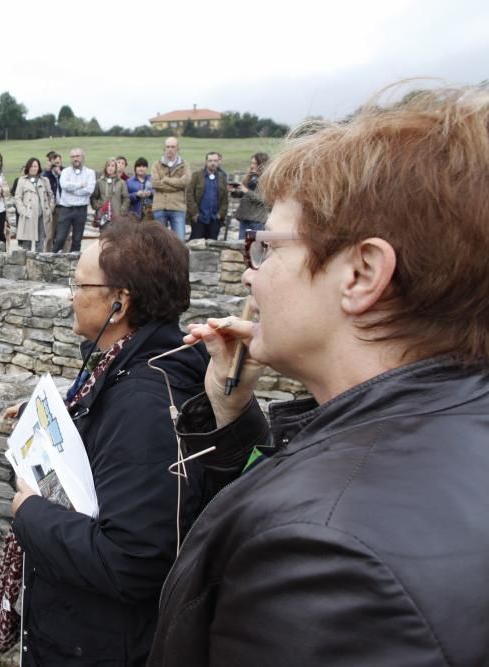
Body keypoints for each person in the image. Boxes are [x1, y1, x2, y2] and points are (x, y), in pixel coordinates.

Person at [147, 85, 489, 667]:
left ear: (360, 273)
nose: (252, 278)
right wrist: (231, 420)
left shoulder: (323, 561)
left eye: (269, 248)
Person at [8, 220, 210, 665]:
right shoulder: (123, 367)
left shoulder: (145, 405)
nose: (70, 296)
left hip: (100, 645)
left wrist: (30, 515)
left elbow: (131, 562)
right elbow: (106, 454)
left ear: (119, 304)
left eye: (79, 285)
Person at [53, 148, 96, 252]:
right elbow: (64, 185)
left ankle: (74, 264)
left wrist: (72, 190)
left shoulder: (90, 173)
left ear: (83, 157)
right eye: (73, 157)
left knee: (77, 240)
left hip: (81, 209)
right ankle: (52, 260)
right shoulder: (65, 172)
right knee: (60, 238)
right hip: (66, 209)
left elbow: (89, 190)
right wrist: (80, 185)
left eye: (78, 156)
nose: (75, 159)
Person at [152, 138, 190, 240]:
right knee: (159, 243)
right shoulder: (156, 164)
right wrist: (176, 184)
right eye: (168, 147)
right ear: (164, 148)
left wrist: (165, 179)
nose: (170, 149)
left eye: (173, 147)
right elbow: (155, 183)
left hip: (177, 207)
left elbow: (185, 182)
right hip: (160, 207)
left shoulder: (184, 165)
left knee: (180, 241)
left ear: (178, 148)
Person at [13, 157, 55, 252]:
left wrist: (49, 209)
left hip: (42, 216)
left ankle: (38, 264)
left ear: (38, 167)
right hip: (28, 216)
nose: (33, 168)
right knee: (26, 246)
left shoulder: (45, 180)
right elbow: (17, 197)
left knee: (40, 244)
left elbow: (51, 196)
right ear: (28, 167)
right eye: (31, 166)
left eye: (35, 166)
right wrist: (23, 211)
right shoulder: (22, 181)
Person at [185, 151, 228, 240]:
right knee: (196, 245)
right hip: (199, 218)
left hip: (214, 218)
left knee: (212, 246)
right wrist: (194, 212)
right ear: (206, 162)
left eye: (215, 161)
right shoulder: (197, 175)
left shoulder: (222, 177)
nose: (213, 163)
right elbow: (189, 193)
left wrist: (220, 214)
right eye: (210, 161)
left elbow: (225, 198)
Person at [232, 152, 269, 240]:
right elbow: (244, 194)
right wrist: (234, 190)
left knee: (253, 250)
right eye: (251, 163)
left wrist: (246, 190)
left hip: (256, 220)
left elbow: (262, 199)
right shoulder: (252, 177)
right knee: (242, 248)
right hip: (245, 218)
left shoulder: (266, 179)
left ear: (261, 164)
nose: (252, 166)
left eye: (254, 163)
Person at [90, 158, 130, 227]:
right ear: (105, 167)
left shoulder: (121, 182)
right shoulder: (99, 182)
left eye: (112, 166)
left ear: (116, 168)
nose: (110, 168)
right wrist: (98, 207)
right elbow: (94, 197)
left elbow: (126, 198)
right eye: (108, 166)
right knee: (104, 236)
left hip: (117, 216)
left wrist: (122, 211)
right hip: (103, 215)